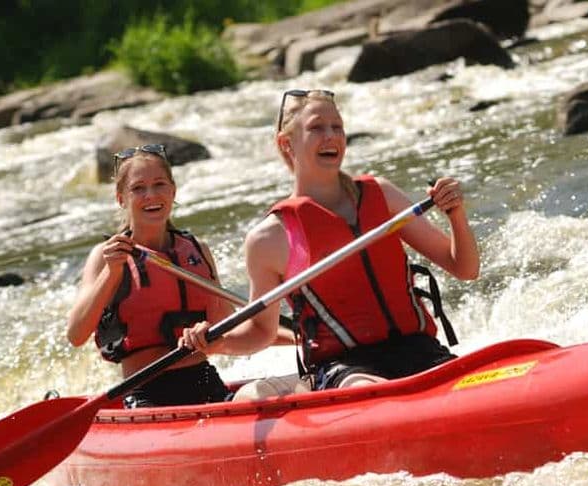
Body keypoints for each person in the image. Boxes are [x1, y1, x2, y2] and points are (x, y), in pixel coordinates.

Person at [179, 89, 479, 394]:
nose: (331, 136)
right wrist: (217, 343)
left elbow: (464, 268)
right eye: (316, 128)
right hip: (345, 369)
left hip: (420, 351)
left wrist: (455, 214)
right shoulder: (270, 238)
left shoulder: (383, 195)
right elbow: (261, 332)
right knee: (368, 390)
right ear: (286, 143)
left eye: (337, 127)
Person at [66, 144, 235, 408]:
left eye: (159, 184)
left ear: (173, 191)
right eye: (138, 188)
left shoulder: (197, 250)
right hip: (144, 392)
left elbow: (232, 326)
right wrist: (111, 273)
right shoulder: (105, 256)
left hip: (205, 380)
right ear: (121, 198)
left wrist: (209, 332)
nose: (151, 195)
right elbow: (76, 335)